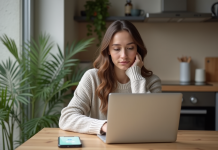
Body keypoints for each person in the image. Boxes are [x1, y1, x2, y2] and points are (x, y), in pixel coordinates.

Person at [59, 20, 161, 135]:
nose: (124, 55)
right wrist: (104, 126)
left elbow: (153, 122)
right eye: (117, 49)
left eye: (130, 48)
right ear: (108, 51)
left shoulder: (152, 82)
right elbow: (66, 118)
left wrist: (135, 76)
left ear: (138, 50)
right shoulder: (92, 78)